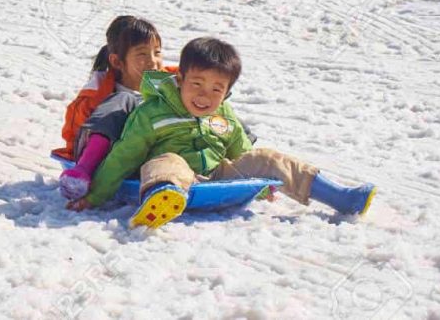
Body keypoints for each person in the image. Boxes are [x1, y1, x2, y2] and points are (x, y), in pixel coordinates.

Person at [68, 37, 376, 228]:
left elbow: (240, 150)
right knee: (167, 160)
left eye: (217, 89)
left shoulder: (223, 114)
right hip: (169, 172)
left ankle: (341, 197)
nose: (204, 95)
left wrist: (262, 179)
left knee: (268, 157)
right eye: (197, 84)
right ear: (180, 79)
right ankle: (164, 198)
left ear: (227, 92)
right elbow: (125, 155)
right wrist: (95, 195)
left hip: (214, 173)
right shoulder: (152, 113)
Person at [54, 16, 171, 200]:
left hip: (154, 158)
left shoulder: (173, 84)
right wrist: (80, 165)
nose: (152, 61)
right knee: (126, 99)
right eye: (142, 54)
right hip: (109, 159)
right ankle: (84, 169)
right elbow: (76, 136)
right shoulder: (99, 95)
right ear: (117, 62)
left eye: (157, 52)